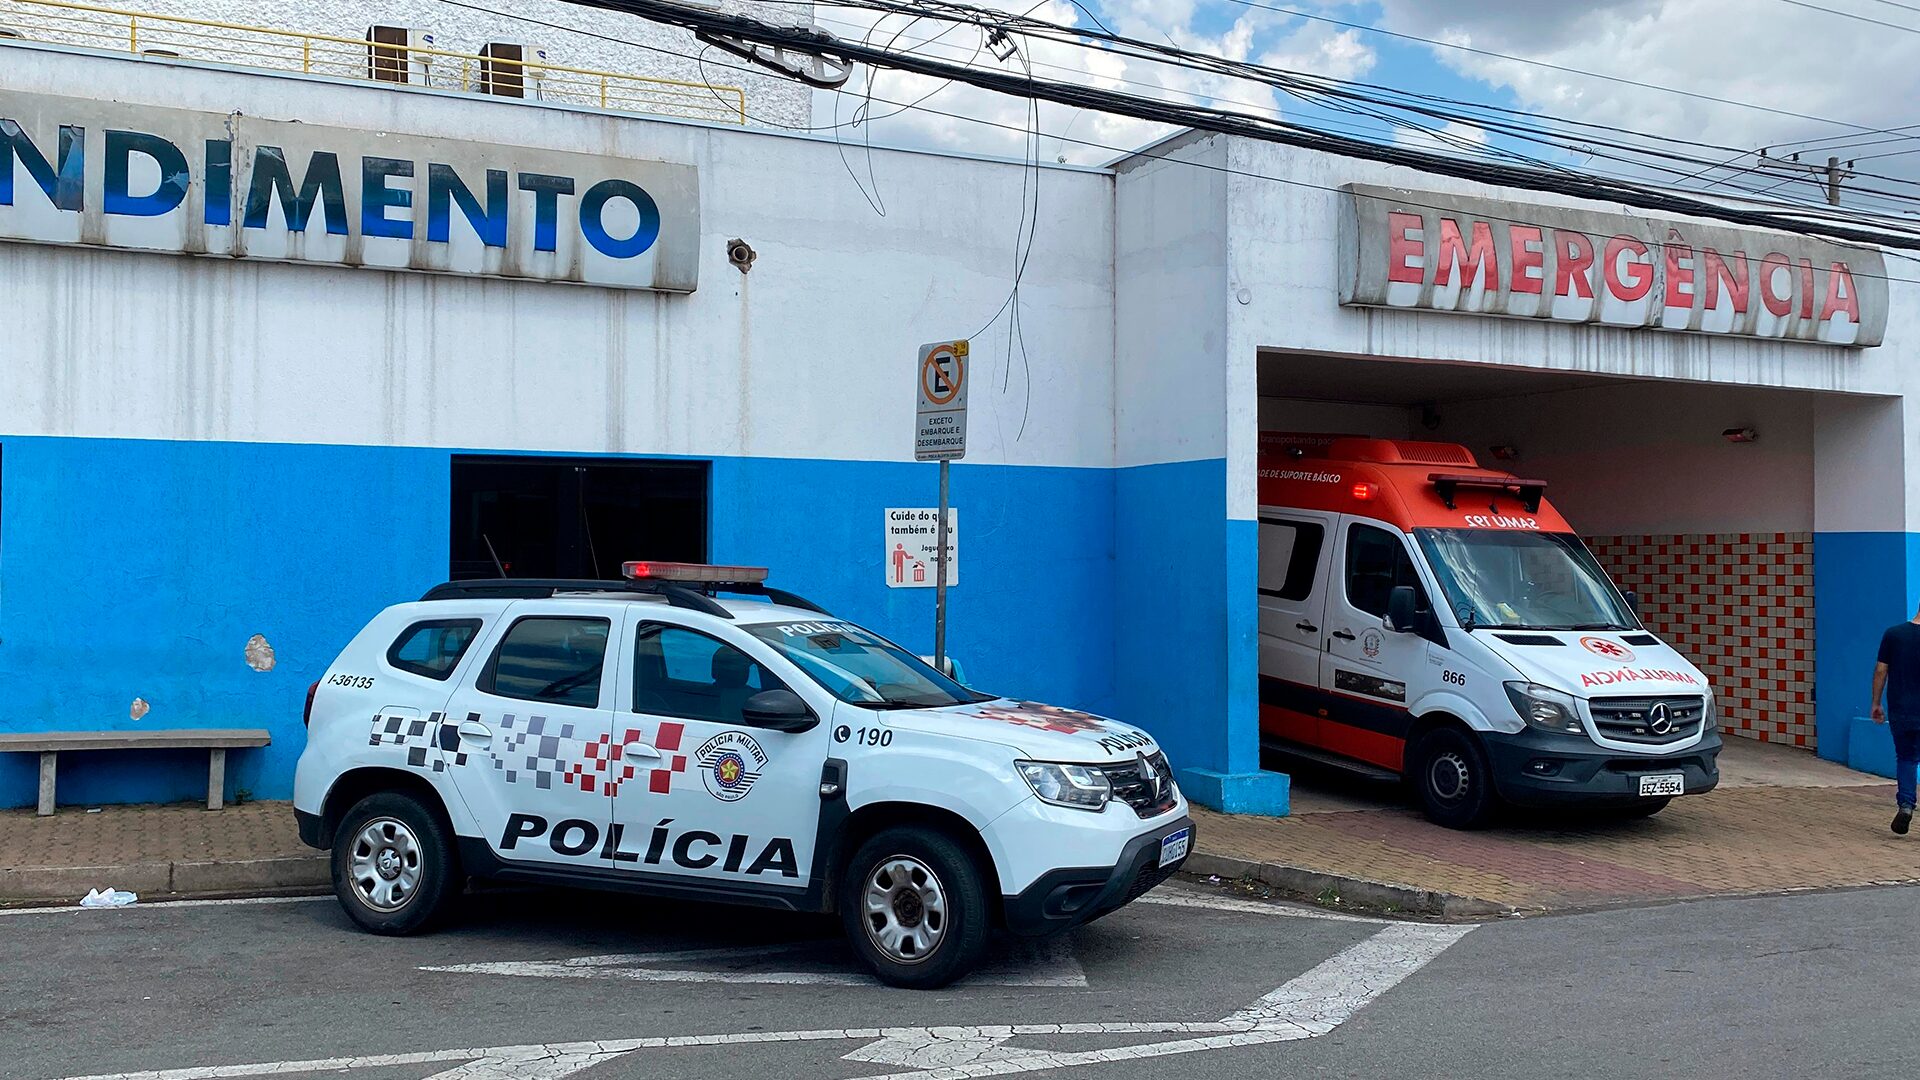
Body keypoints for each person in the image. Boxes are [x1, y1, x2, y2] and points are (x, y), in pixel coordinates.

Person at [1871, 604, 1920, 834]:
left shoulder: (1894, 634)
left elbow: (1881, 670)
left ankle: (1906, 805)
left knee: (1906, 758)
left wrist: (1876, 702)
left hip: (1902, 710)